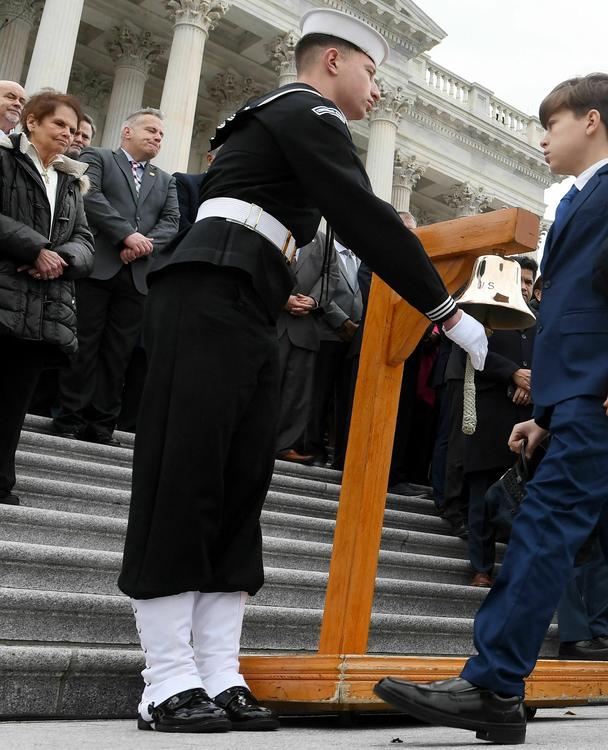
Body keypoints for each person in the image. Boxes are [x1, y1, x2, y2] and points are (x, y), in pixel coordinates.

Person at [115, 8, 487, 734]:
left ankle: (219, 671)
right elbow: (364, 216)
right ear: (335, 63)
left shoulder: (288, 123)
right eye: (373, 73)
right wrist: (445, 310)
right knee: (184, 474)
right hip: (209, 292)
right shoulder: (307, 110)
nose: (377, 91)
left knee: (239, 484)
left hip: (245, 296)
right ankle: (164, 679)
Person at [374, 72, 608, 744]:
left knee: (545, 524)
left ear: (590, 122)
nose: (541, 137)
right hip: (574, 396)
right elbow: (566, 319)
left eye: (550, 123)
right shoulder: (574, 206)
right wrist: (544, 410)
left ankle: (493, 683)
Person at [52, 107, 179, 445]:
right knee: (85, 343)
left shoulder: (165, 180)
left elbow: (171, 221)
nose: (157, 137)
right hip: (99, 267)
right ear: (127, 132)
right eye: (151, 130)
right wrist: (126, 234)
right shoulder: (99, 158)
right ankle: (70, 417)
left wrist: (141, 246)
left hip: (136, 276)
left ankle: (102, 423)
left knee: (118, 352)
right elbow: (89, 195)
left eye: (161, 134)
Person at [0, 92, 94, 506]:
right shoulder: (4, 158)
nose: (68, 135)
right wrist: (34, 247)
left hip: (44, 303)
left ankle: (2, 479)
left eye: (73, 130)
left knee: (16, 397)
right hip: (4, 289)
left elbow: (85, 241)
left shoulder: (71, 181)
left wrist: (59, 259)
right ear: (32, 122)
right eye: (59, 125)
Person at [463, 255, 536, 587]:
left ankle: (516, 568)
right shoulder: (481, 310)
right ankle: (481, 567)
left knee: (522, 497)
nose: (524, 287)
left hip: (526, 421)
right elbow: (474, 352)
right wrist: (512, 375)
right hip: (489, 414)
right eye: (519, 280)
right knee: (482, 496)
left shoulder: (539, 321)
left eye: (529, 282)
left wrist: (532, 386)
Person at [301, 234, 362, 464]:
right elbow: (323, 290)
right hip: (327, 333)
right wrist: (343, 322)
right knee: (319, 394)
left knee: (346, 399)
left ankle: (342, 455)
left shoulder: (361, 259)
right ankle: (313, 448)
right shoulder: (326, 250)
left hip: (354, 339)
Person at [274, 232, 327, 463]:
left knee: (297, 393)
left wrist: (314, 300)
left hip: (304, 327)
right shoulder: (275, 226)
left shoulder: (324, 241)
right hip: (271, 321)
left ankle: (284, 445)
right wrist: (281, 298)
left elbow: (329, 274)